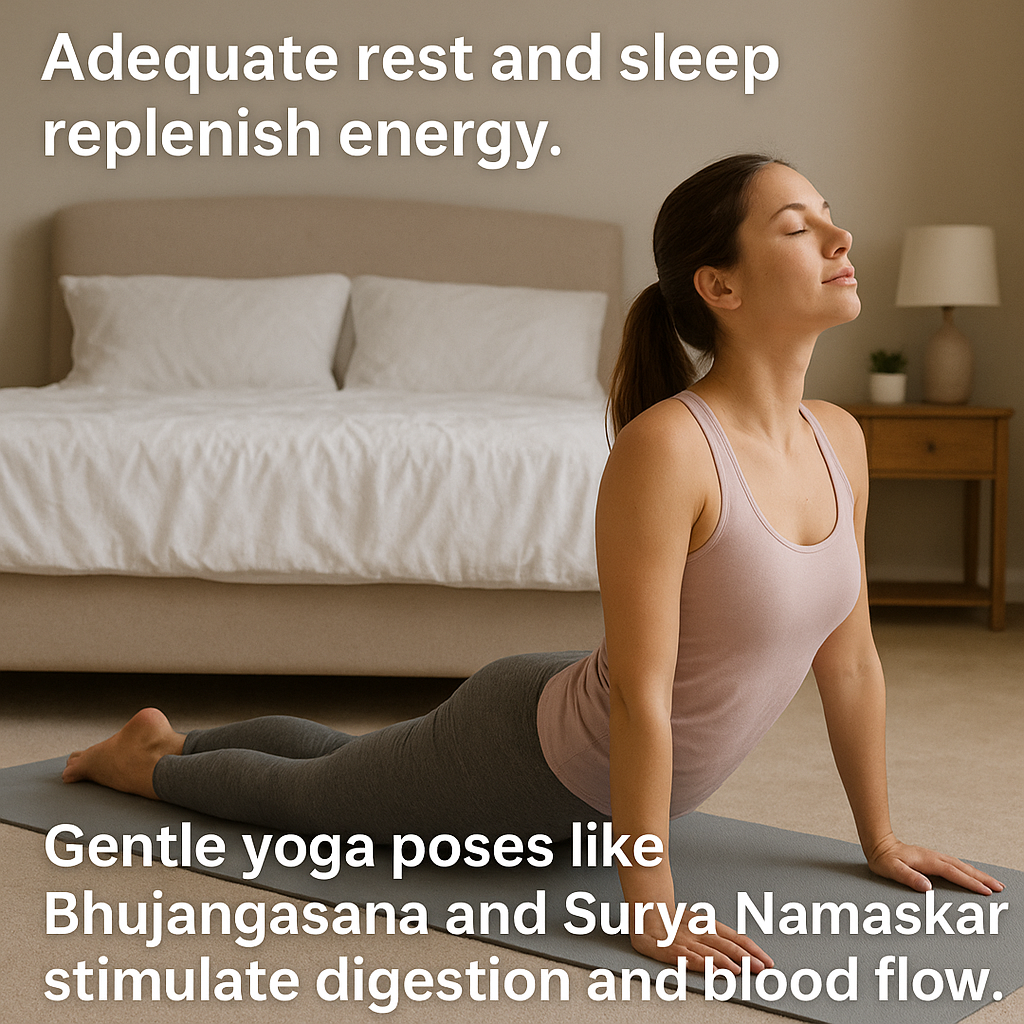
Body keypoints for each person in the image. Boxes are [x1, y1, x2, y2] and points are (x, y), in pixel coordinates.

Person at [63, 154, 1003, 975]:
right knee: (315, 803)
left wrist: (878, 839)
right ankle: (147, 762)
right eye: (800, 226)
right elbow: (643, 695)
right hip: (535, 755)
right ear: (720, 286)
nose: (841, 236)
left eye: (829, 213)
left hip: (575, 718)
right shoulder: (670, 448)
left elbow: (852, 662)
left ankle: (176, 734)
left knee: (356, 765)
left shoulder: (838, 436)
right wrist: (651, 909)